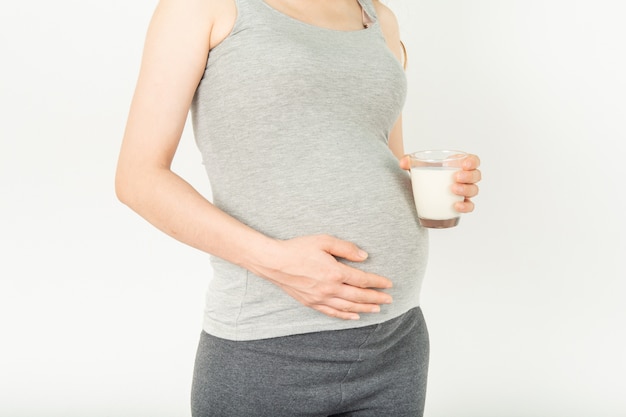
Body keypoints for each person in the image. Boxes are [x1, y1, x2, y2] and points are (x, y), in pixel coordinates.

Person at [115, 0, 481, 415]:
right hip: (269, 347)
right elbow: (138, 178)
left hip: (396, 340)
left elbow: (378, 154)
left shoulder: (379, 17)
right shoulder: (203, 7)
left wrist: (435, 186)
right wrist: (275, 261)